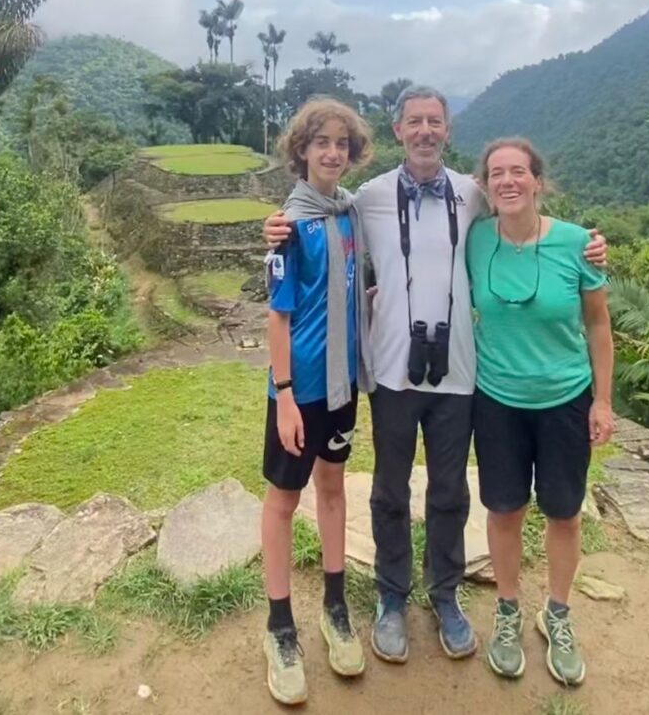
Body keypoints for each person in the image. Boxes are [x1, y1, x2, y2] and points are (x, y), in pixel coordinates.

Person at [264, 87, 608, 665]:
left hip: (459, 375)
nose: (425, 130)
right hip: (393, 372)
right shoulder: (365, 199)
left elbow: (529, 217)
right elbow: (309, 216)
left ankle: (445, 596)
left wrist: (590, 246)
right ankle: (392, 598)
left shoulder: (475, 194)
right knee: (389, 490)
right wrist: (275, 227)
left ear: (447, 131)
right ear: (397, 130)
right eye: (414, 122)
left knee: (451, 492)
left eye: (435, 122)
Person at [468, 138, 614, 687]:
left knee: (563, 512)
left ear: (538, 181)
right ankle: (507, 610)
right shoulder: (475, 239)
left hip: (565, 400)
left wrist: (602, 400)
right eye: (497, 173)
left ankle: (557, 613)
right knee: (504, 509)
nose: (508, 181)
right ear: (485, 185)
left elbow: (598, 325)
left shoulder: (578, 244)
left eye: (518, 172)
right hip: (497, 400)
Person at [259, 96, 375, 706]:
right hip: (296, 391)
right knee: (282, 501)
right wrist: (282, 398)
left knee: (333, 488)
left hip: (341, 387)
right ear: (300, 150)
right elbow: (277, 320)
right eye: (321, 142)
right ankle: (280, 626)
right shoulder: (288, 225)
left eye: (342, 144)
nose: (332, 152)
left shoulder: (351, 213)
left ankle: (335, 606)